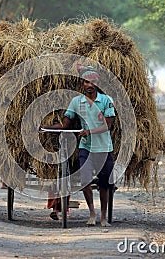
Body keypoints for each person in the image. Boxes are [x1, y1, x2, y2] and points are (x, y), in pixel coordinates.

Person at [41, 64, 116, 227]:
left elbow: (107, 125)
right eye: (86, 82)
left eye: (92, 82)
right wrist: (46, 128)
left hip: (104, 148)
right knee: (85, 180)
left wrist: (89, 131)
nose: (89, 85)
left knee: (104, 184)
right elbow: (66, 124)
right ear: (83, 84)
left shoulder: (106, 101)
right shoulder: (76, 101)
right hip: (85, 148)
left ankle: (103, 217)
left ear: (97, 83)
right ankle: (92, 213)